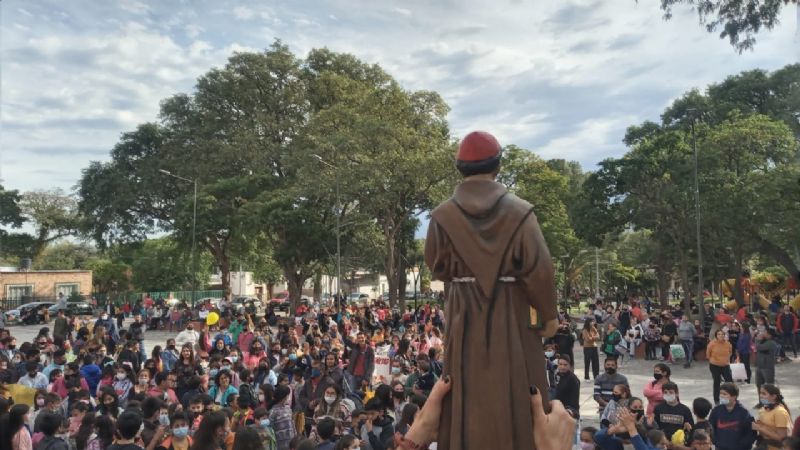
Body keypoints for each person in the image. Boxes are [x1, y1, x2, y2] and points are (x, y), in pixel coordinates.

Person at [423, 131, 559, 450]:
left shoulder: (442, 217)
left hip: (462, 311)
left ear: (460, 168)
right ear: (497, 166)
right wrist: (548, 316)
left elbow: (436, 264)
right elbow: (540, 269)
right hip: (512, 311)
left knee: (465, 391)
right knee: (519, 392)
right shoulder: (520, 212)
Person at [708, 383, 757, 450]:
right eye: (720, 394)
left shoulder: (744, 413)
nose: (721, 396)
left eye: (725, 394)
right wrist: (716, 441)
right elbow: (710, 427)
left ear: (734, 396)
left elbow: (751, 434)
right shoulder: (716, 410)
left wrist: (742, 446)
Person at [753, 384, 792, 450]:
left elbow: (782, 438)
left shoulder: (780, 412)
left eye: (764, 394)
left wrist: (759, 428)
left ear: (773, 396)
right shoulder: (763, 409)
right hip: (763, 444)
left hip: (774, 447)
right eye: (760, 393)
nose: (761, 396)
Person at [706, 329, 733, 404]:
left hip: (725, 365)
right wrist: (715, 360)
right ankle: (716, 399)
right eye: (719, 334)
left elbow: (730, 352)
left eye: (722, 334)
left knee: (729, 382)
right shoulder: (712, 344)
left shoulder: (728, 344)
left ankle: (732, 398)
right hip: (714, 365)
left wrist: (725, 359)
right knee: (717, 382)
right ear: (716, 335)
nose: (721, 336)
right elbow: (708, 355)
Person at [269, 385, 296, 450]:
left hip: (291, 442)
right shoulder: (273, 411)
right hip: (279, 444)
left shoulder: (288, 408)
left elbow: (292, 424)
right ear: (284, 397)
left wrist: (295, 436)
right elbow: (271, 428)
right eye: (288, 395)